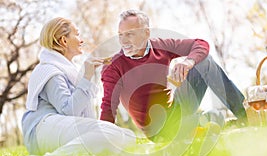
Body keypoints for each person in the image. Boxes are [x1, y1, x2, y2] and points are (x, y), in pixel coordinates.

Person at [100, 9, 248, 143]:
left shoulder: (160, 47)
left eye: (129, 34)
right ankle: (198, 125)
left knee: (205, 62)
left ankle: (247, 116)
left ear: (146, 33)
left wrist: (189, 62)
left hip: (176, 110)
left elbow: (200, 44)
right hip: (159, 130)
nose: (123, 41)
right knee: (214, 116)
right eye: (120, 35)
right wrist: (103, 145)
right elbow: (107, 108)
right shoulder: (113, 66)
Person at [21, 17, 136, 156]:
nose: (81, 40)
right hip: (41, 130)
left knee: (129, 137)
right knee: (110, 134)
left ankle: (76, 155)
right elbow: (69, 111)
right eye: (77, 34)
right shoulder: (51, 71)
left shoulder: (69, 71)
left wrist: (89, 76)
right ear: (64, 41)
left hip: (59, 129)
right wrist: (86, 77)